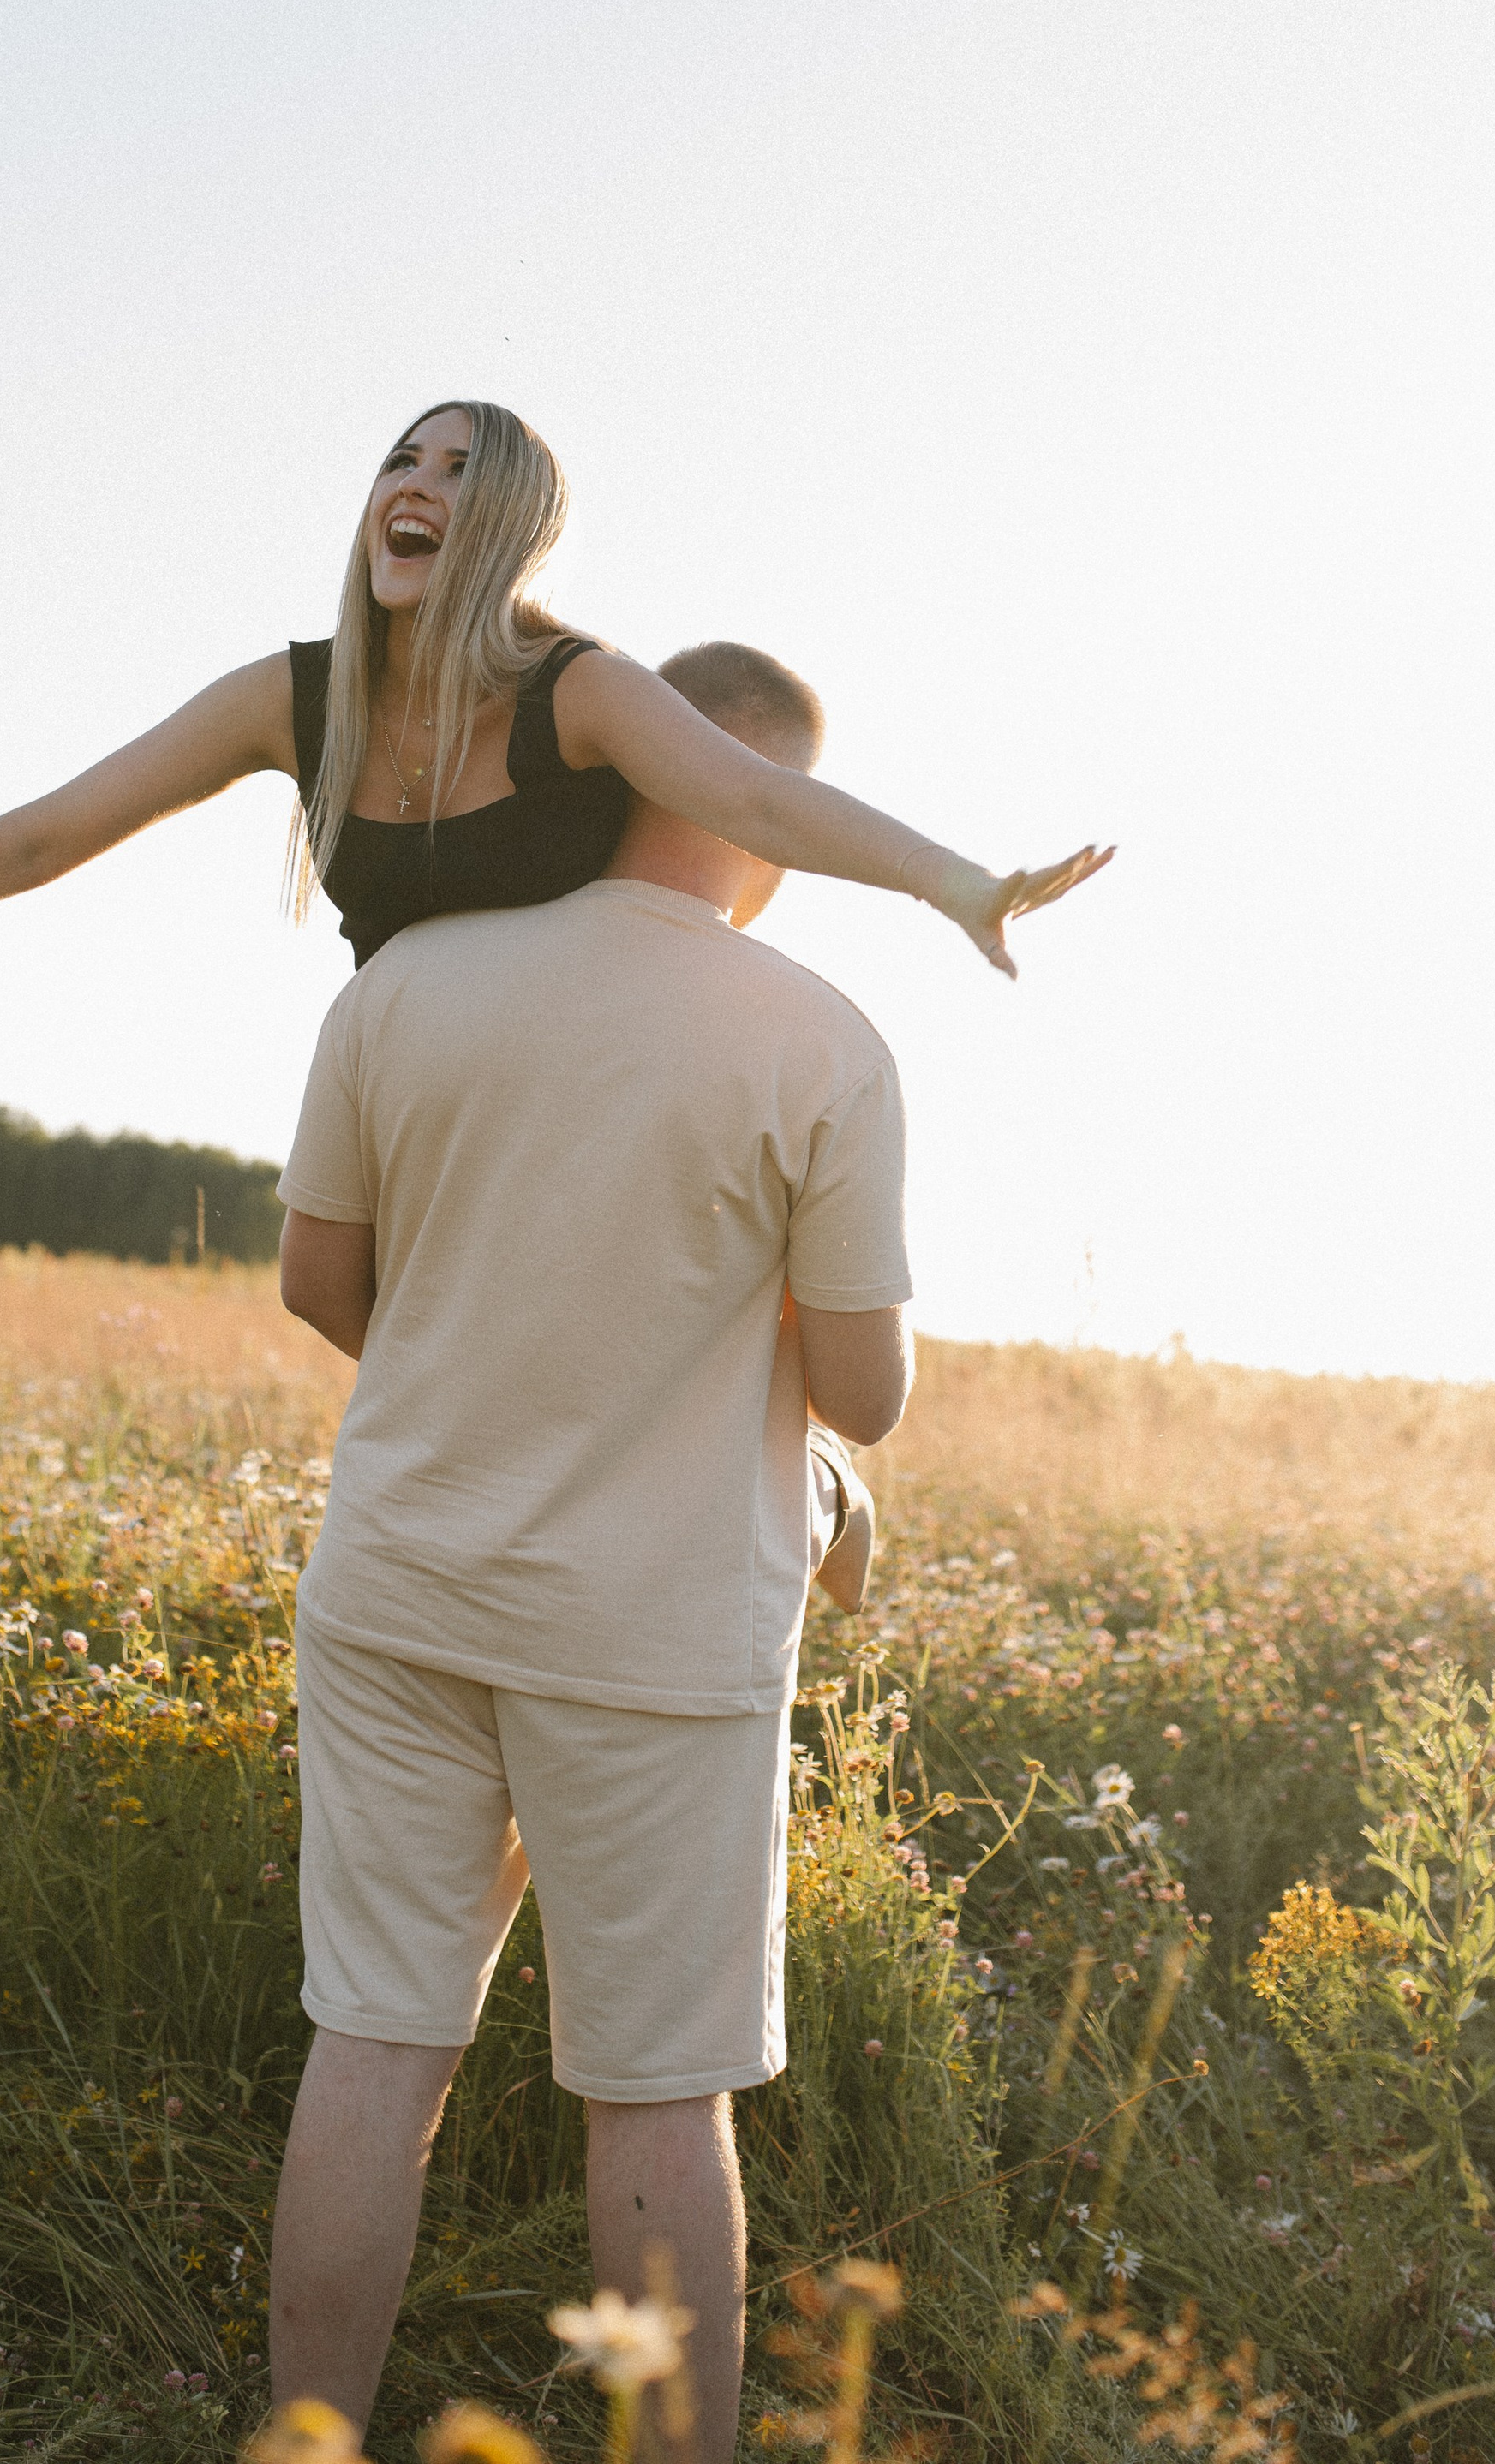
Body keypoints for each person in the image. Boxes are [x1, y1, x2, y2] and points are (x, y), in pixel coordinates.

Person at [269, 637, 912, 2463]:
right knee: (652, 2095)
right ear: (758, 814)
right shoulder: (815, 1036)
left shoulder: (403, 984)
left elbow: (324, 1282)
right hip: (658, 1633)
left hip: (396, 1589)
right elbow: (859, 1393)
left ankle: (301, 2442)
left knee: (374, 2046)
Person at [0, 398, 1109, 1096]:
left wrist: (960, 885)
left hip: (594, 1079)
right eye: (404, 455)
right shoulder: (292, 699)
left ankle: (802, 1470)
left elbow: (752, 796)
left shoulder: (575, 692)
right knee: (332, 1302)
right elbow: (39, 835)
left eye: (463, 470)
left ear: (513, 527)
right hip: (412, 1087)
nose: (416, 481)